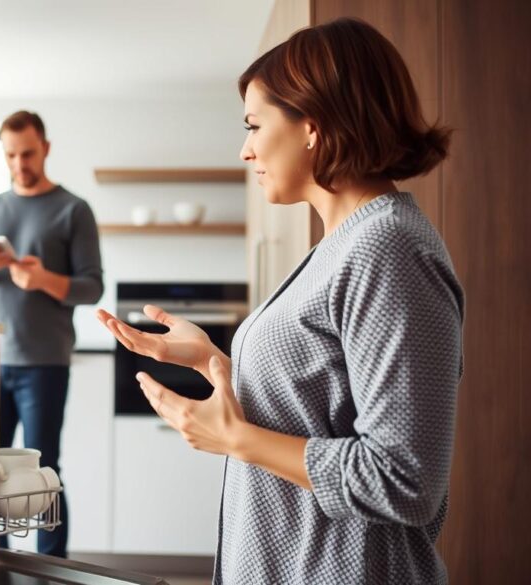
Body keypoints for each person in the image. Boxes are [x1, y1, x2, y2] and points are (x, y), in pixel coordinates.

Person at [97, 18, 463, 584]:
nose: (245, 150)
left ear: (312, 126)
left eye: (254, 125)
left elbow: (404, 479)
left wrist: (236, 439)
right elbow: (319, 402)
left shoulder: (386, 248)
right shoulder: (340, 245)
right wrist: (215, 362)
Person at [0, 110, 104, 558]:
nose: (20, 163)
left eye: (28, 153)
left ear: (46, 149)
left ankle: (51, 567)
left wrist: (41, 279)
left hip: (44, 363)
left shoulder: (73, 210)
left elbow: (91, 286)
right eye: (11, 155)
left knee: (45, 473)